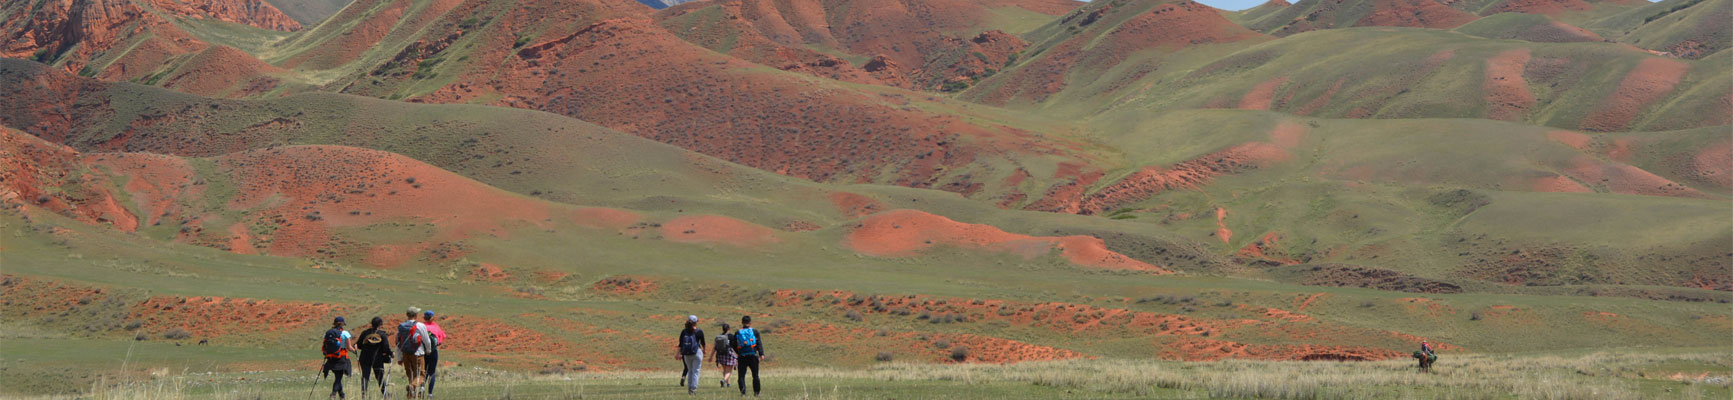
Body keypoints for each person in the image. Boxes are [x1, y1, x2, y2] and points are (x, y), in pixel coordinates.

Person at [396, 307, 433, 399]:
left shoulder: (401, 326)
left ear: (407, 315)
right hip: (418, 353)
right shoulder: (420, 325)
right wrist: (428, 350)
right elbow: (426, 340)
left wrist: (399, 358)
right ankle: (412, 388)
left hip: (405, 354)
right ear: (416, 315)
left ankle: (412, 396)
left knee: (411, 376)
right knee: (420, 375)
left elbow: (398, 342)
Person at [356, 316, 394, 399]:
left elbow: (359, 345)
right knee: (379, 377)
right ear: (380, 324)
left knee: (365, 376)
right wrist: (391, 354)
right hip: (377, 359)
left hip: (365, 357)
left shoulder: (365, 333)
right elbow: (386, 348)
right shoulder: (382, 334)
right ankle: (385, 394)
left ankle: (364, 395)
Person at [322, 317, 358, 399]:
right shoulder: (345, 333)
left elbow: (325, 345)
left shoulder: (328, 333)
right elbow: (349, 347)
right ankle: (333, 394)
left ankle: (342, 395)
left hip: (331, 358)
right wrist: (355, 350)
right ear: (342, 324)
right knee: (338, 378)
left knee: (338, 377)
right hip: (341, 357)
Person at [733, 315, 765, 397]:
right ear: (750, 323)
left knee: (741, 376)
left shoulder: (738, 332)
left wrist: (738, 352)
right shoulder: (754, 331)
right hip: (753, 355)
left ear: (742, 323)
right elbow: (759, 343)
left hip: (742, 356)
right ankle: (757, 393)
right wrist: (761, 354)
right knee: (755, 375)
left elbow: (733, 344)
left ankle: (743, 393)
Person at [677, 315, 707, 395]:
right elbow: (703, 343)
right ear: (696, 322)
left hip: (686, 354)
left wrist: (678, 354)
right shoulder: (699, 331)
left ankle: (689, 388)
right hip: (697, 352)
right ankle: (693, 389)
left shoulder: (684, 331)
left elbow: (680, 344)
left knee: (690, 370)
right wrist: (704, 351)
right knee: (696, 371)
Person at [422, 310, 447, 398]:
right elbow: (441, 339)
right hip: (433, 352)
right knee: (431, 373)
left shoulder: (422, 326)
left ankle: (421, 389)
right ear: (432, 317)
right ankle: (430, 394)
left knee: (423, 371)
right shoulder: (436, 326)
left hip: (423, 352)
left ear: (424, 317)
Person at [712, 323, 736, 388]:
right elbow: (734, 346)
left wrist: (711, 356)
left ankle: (728, 384)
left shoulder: (719, 336)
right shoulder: (731, 336)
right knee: (729, 370)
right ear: (729, 329)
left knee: (725, 370)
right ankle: (724, 380)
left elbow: (715, 347)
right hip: (729, 354)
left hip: (720, 354)